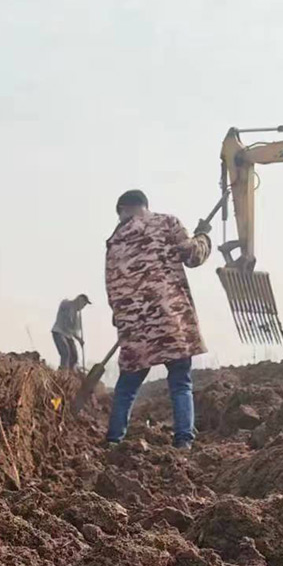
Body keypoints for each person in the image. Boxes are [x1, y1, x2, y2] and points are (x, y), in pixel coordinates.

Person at [104, 189, 211, 448]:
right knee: (180, 381)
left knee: (127, 386)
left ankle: (113, 441)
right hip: (170, 319)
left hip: (134, 327)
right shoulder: (167, 223)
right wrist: (203, 236)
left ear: (123, 209)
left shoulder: (115, 241)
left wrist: (122, 318)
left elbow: (112, 286)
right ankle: (184, 441)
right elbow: (193, 256)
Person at [52, 294, 90, 371]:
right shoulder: (66, 304)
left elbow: (74, 331)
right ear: (79, 300)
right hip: (59, 332)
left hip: (68, 335)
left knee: (74, 356)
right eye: (83, 304)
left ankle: (72, 372)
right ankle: (63, 373)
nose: (83, 307)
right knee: (65, 352)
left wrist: (80, 340)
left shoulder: (77, 316)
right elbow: (66, 323)